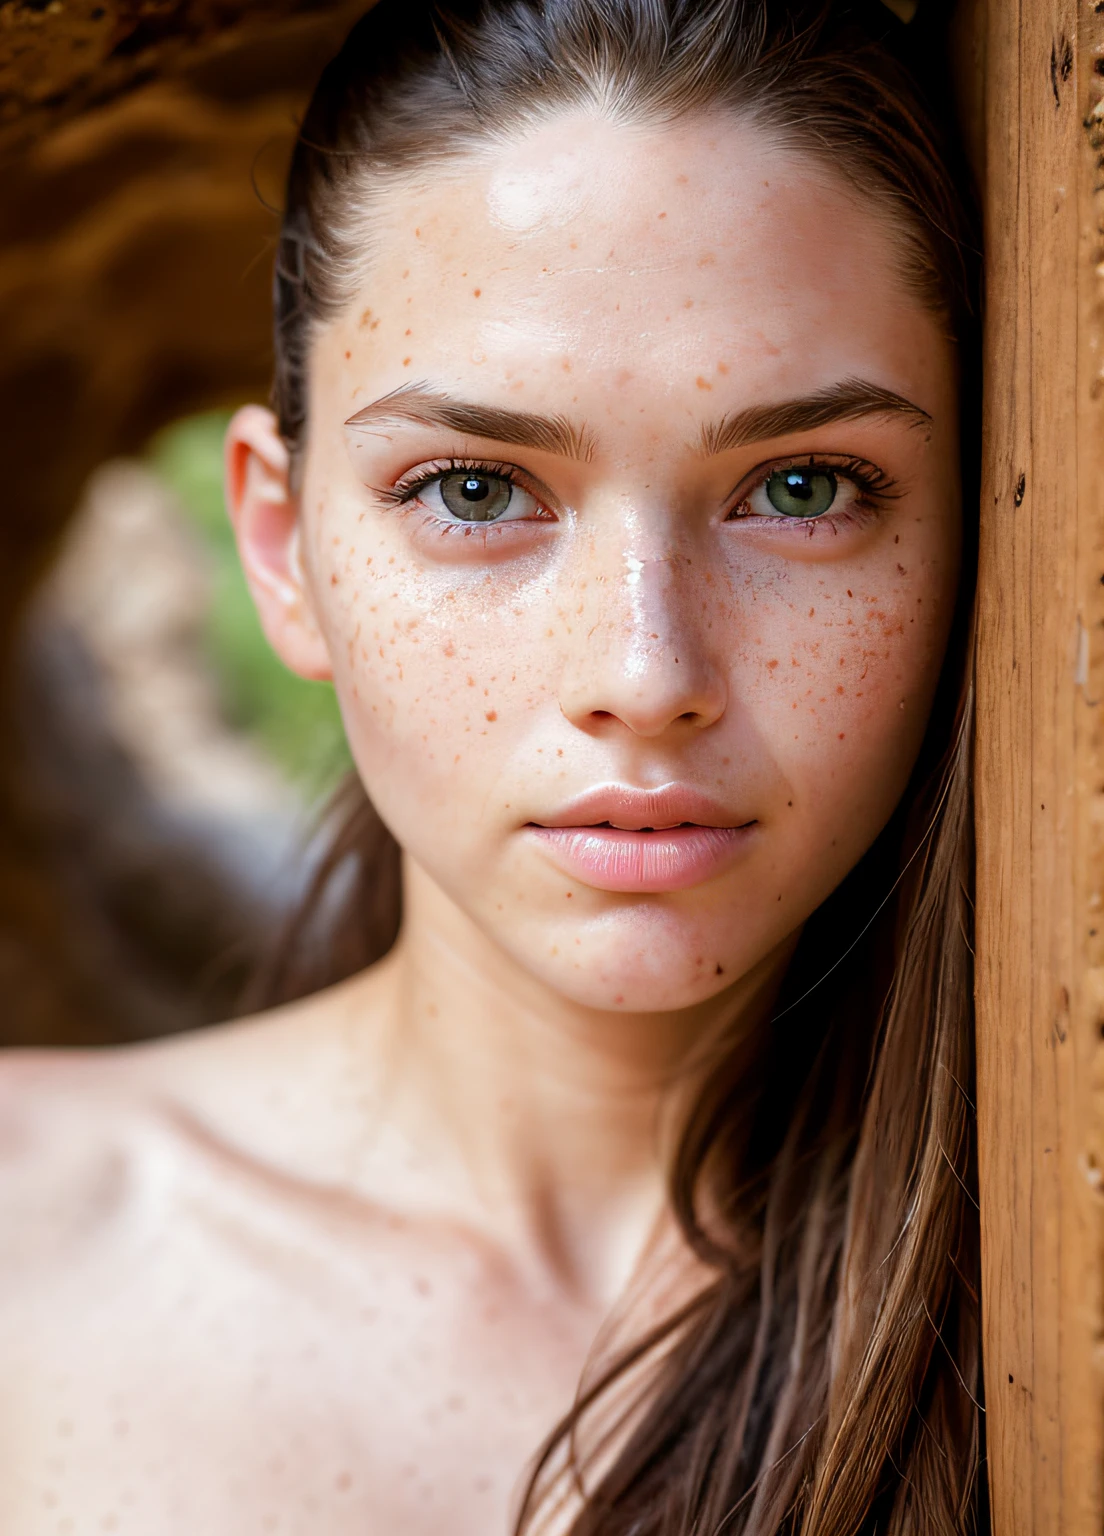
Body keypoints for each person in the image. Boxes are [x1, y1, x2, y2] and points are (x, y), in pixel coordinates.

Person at [0, 1, 983, 1531]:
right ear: (283, 550)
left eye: (802, 487)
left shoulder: (1023, 1300)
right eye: (475, 489)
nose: (645, 676)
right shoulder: (24, 1230)